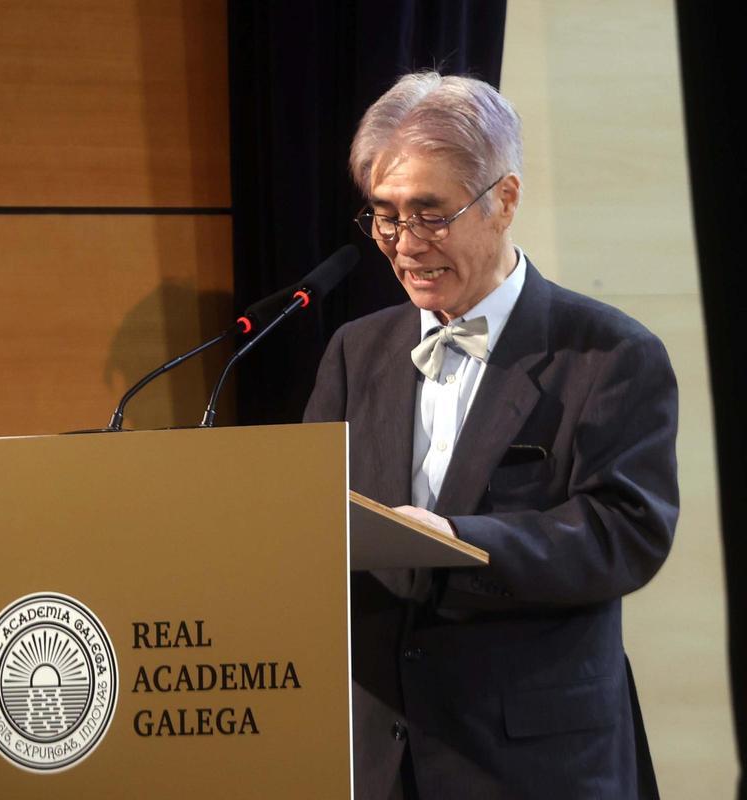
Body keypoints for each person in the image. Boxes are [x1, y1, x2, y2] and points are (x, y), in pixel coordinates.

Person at [304, 72, 678, 799]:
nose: (404, 245)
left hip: (530, 763)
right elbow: (312, 515)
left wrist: (452, 538)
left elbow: (625, 534)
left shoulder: (608, 353)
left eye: (429, 214)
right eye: (384, 217)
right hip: (379, 757)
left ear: (504, 200)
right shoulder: (355, 350)